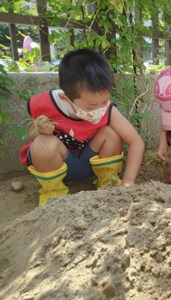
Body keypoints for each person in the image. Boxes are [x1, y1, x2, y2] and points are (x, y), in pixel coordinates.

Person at [19, 48, 145, 205]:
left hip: (90, 162)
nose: (100, 109)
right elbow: (32, 139)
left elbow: (136, 141)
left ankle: (108, 183)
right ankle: (54, 195)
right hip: (59, 166)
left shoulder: (108, 109)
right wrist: (41, 131)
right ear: (66, 99)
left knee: (112, 134)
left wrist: (128, 182)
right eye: (90, 106)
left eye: (105, 101)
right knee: (42, 144)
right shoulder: (45, 105)